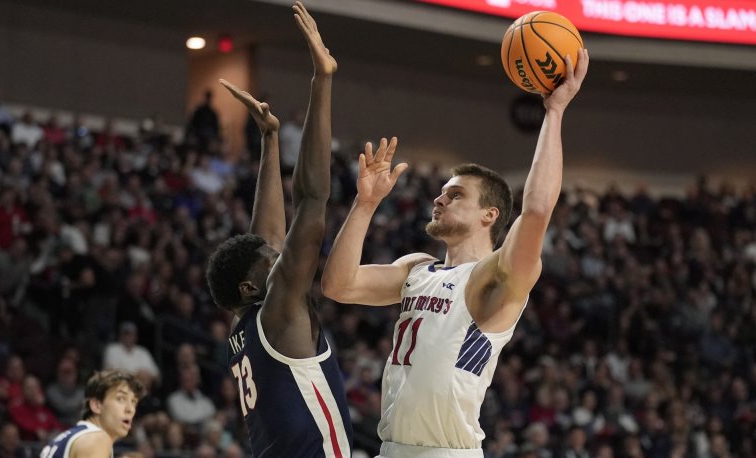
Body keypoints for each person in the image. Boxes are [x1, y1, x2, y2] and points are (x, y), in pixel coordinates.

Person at [321, 49, 590, 457]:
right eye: (441, 193)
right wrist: (365, 205)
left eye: (456, 194)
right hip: (391, 448)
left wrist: (554, 112)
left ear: (490, 215)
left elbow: (536, 210)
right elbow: (338, 285)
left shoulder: (494, 277)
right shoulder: (415, 268)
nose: (439, 200)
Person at [205, 2, 351, 457]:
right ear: (253, 286)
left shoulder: (247, 322)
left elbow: (263, 238)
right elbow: (311, 199)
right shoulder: (278, 311)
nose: (280, 250)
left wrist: (269, 139)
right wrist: (321, 80)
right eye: (273, 259)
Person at [39, 370, 144, 458]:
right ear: (96, 405)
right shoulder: (97, 438)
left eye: (134, 401)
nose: (130, 409)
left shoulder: (69, 437)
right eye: (121, 399)